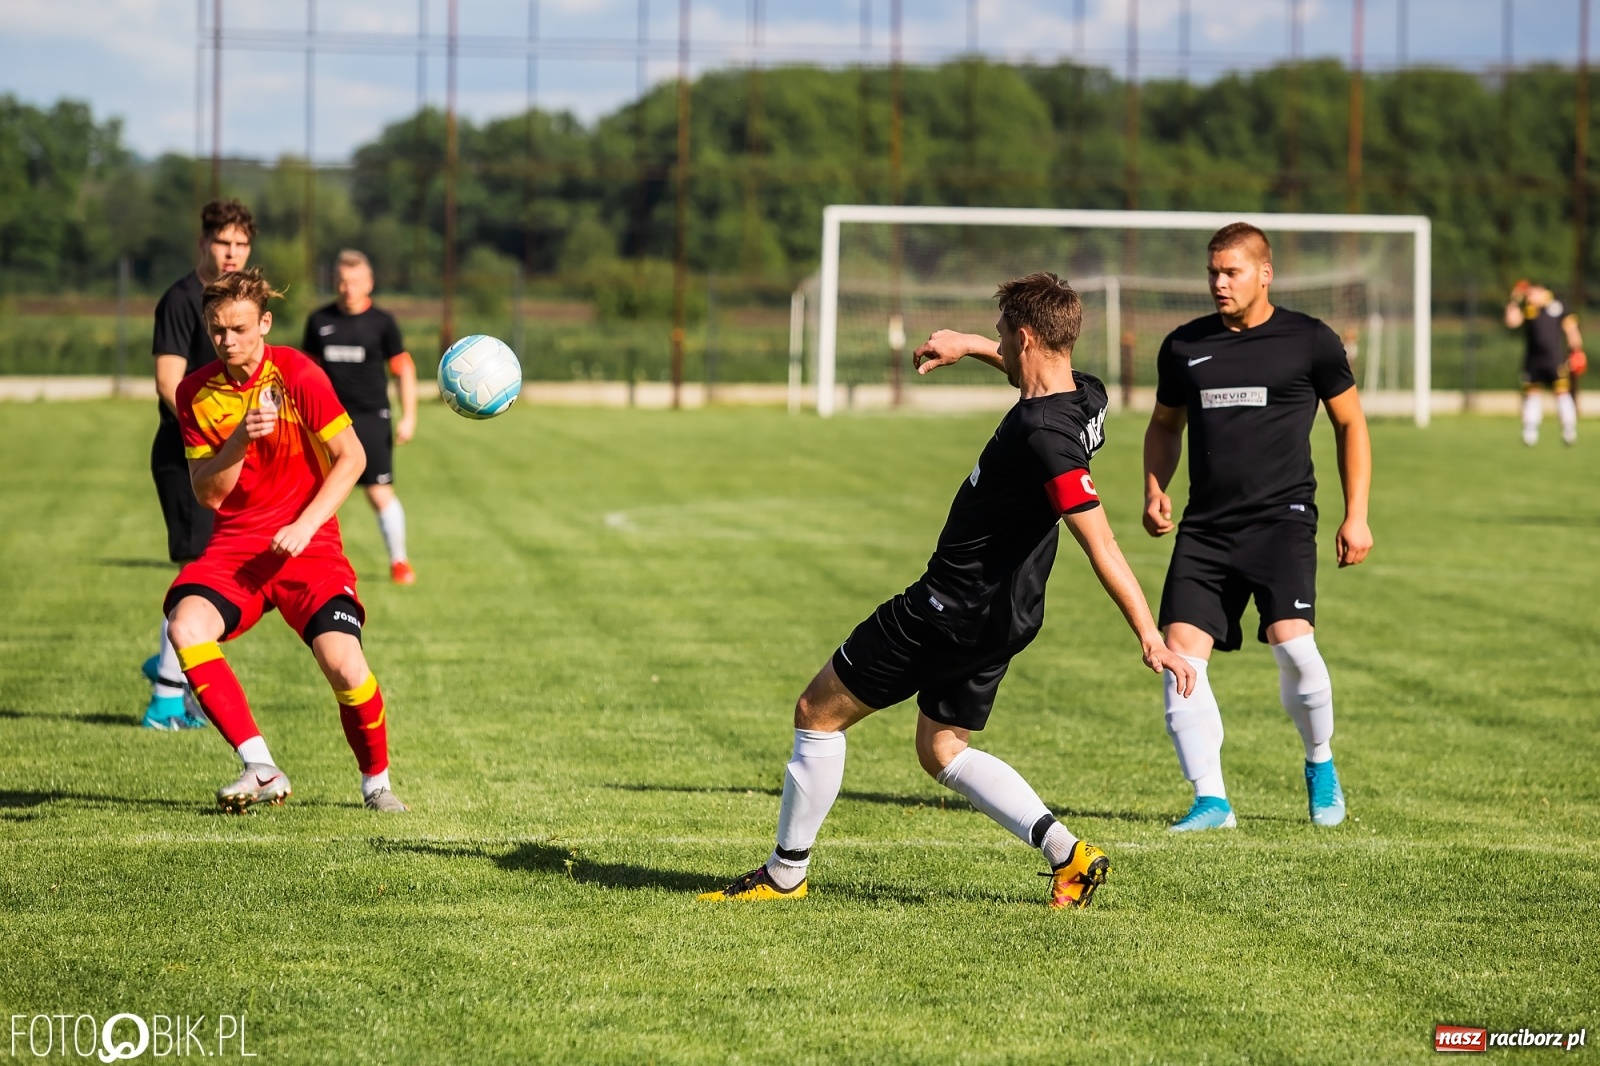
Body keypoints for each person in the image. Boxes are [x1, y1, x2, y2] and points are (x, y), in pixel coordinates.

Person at [698, 273, 1195, 909]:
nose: (998, 346)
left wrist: (1150, 636)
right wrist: (968, 343)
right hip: (1007, 613)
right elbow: (1032, 374)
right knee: (941, 748)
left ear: (1023, 336)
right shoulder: (1087, 397)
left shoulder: (1045, 436)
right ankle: (1068, 855)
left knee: (816, 713)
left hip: (950, 607)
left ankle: (784, 875)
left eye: (999, 338)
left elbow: (1100, 542)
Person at [1143, 222, 1373, 832]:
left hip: (1283, 522)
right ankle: (1211, 801)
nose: (1219, 282)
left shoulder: (1310, 341)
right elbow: (1166, 424)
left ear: (1264, 274)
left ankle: (1320, 764)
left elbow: (1350, 424)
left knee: (1294, 643)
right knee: (1179, 656)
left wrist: (1357, 514)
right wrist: (1154, 486)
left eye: (1232, 272)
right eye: (1213, 271)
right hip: (1207, 529)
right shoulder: (1183, 346)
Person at [164, 267, 408, 813]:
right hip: (238, 548)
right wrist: (238, 439)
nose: (228, 341)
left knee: (344, 664)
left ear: (265, 323)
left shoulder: (298, 373)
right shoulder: (195, 394)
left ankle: (377, 784)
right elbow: (208, 495)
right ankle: (260, 765)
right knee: (185, 625)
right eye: (218, 330)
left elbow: (353, 458)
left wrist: (306, 524)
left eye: (240, 329)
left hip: (310, 545)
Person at [141, 199, 255, 729]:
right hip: (188, 457)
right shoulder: (183, 300)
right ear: (203, 244)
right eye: (222, 243)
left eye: (241, 244)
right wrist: (207, 439)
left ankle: (173, 672)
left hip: (225, 454)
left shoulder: (234, 303)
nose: (231, 253)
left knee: (211, 569)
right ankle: (166, 697)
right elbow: (170, 383)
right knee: (198, 572)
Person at [301, 250, 419, 583]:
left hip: (371, 418)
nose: (347, 288)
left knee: (379, 493)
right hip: (327, 420)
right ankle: (309, 564)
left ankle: (399, 561)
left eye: (354, 282)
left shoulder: (383, 323)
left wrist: (409, 416)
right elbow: (306, 372)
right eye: (341, 281)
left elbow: (403, 370)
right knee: (315, 492)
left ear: (368, 283)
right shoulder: (319, 321)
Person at [1504, 280, 1585, 445]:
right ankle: (1530, 431)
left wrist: (1577, 351)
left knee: (1562, 394)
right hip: (1533, 361)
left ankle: (1569, 429)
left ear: (1542, 291)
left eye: (1533, 292)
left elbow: (1571, 330)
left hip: (1555, 360)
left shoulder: (1558, 306)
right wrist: (1513, 301)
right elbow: (1512, 322)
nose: (1530, 296)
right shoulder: (1528, 309)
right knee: (1532, 396)